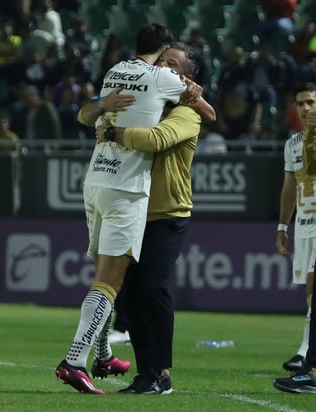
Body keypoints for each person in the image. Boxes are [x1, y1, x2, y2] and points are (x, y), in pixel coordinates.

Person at [54, 23, 191, 395]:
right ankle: (73, 360)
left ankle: (103, 354)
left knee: (105, 273)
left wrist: (103, 107)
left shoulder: (115, 72)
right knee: (110, 281)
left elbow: (87, 114)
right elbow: (201, 103)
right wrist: (187, 86)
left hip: (95, 179)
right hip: (125, 188)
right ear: (162, 51)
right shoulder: (162, 78)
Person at [96, 42, 215, 395]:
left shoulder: (186, 113)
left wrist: (115, 132)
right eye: (161, 61)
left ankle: (161, 372)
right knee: (130, 295)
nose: (162, 67)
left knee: (153, 287)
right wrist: (100, 110)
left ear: (187, 78)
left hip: (166, 212)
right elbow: (89, 115)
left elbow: (157, 139)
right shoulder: (145, 104)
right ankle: (146, 372)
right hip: (132, 208)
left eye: (173, 65)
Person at [273, 92, 316, 395]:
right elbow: (303, 174)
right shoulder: (299, 140)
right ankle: (314, 365)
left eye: (312, 102)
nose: (306, 108)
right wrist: (283, 225)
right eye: (300, 104)